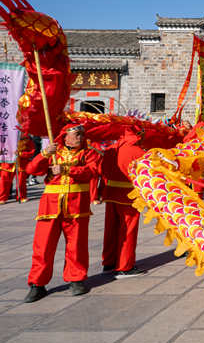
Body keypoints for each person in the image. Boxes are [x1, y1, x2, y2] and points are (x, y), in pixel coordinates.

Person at [24, 124, 101, 302]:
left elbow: (92, 171)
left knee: (77, 245)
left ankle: (76, 279)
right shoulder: (53, 152)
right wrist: (44, 154)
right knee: (42, 246)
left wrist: (67, 170)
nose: (80, 138)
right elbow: (31, 170)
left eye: (82, 135)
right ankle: (37, 284)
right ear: (65, 137)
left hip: (76, 207)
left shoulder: (90, 153)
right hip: (49, 207)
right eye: (76, 135)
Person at [99, 129, 148, 277]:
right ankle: (125, 266)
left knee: (110, 230)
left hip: (111, 193)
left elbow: (103, 171)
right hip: (129, 195)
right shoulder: (139, 152)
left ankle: (109, 262)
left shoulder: (111, 150)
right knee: (127, 231)